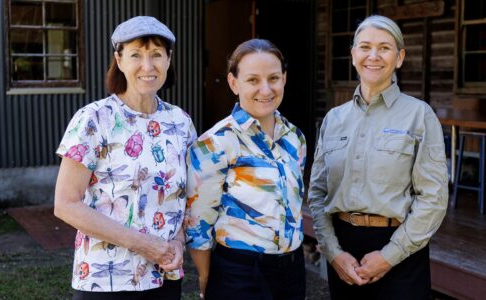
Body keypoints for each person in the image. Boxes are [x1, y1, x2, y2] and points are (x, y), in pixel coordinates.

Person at [54, 16, 196, 299]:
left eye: (157, 54)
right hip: (106, 281)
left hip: (164, 277)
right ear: (119, 60)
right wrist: (144, 244)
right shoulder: (94, 119)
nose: (148, 66)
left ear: (169, 60)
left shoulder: (180, 122)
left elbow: (184, 199)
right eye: (136, 55)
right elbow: (66, 205)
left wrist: (179, 243)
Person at [308, 15, 448, 300]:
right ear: (353, 55)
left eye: (384, 48)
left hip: (401, 252)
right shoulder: (334, 119)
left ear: (399, 57)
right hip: (344, 252)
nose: (373, 56)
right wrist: (333, 253)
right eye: (365, 47)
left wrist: (389, 256)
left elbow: (433, 198)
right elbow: (318, 193)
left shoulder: (419, 116)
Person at [185, 39, 307, 300]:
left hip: (293, 270)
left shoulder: (296, 138)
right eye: (253, 80)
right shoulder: (215, 143)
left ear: (284, 79)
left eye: (274, 78)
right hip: (239, 274)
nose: (266, 89)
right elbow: (198, 223)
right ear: (233, 83)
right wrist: (207, 277)